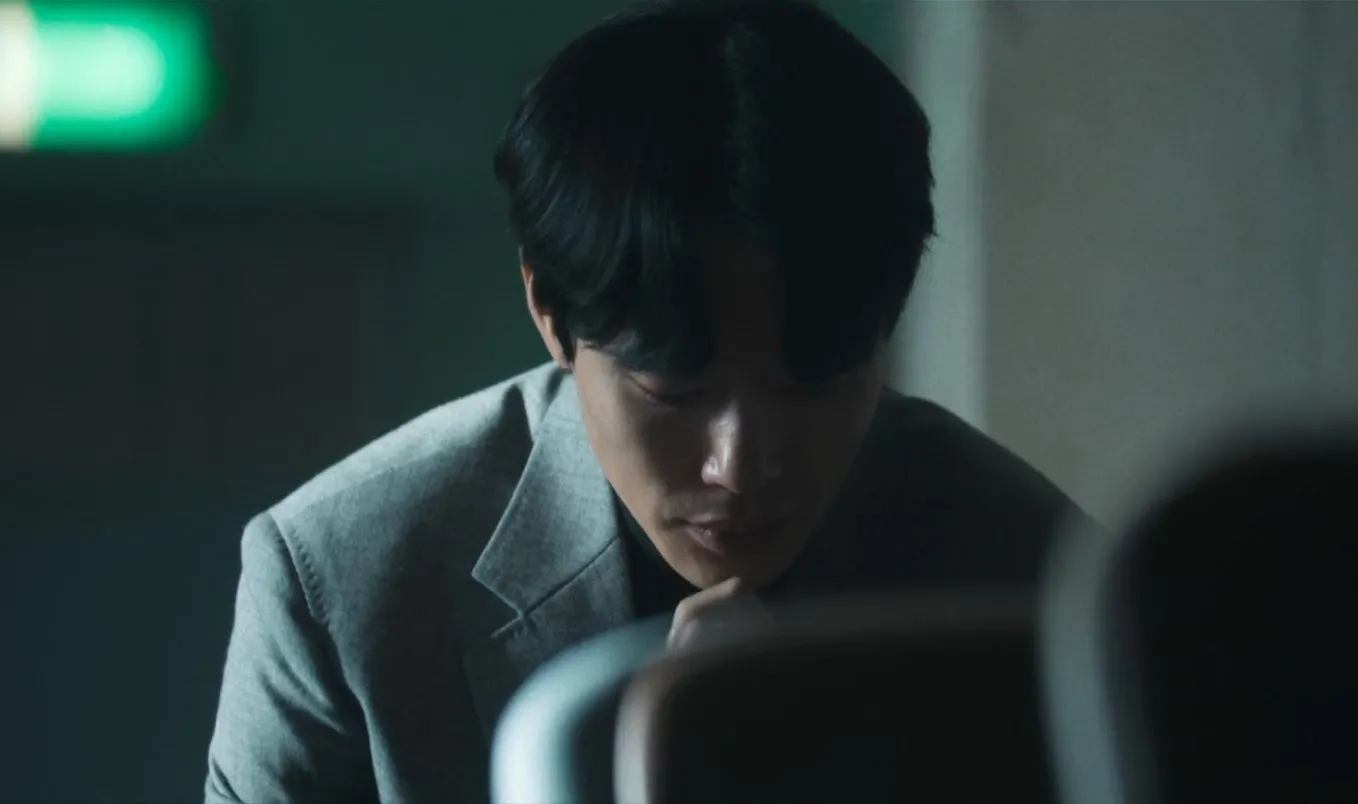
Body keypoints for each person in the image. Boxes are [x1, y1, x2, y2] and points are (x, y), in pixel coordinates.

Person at [204, 1, 1089, 801]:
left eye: (814, 384)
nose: (741, 464)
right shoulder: (343, 587)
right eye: (677, 390)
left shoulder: (1026, 578)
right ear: (551, 314)